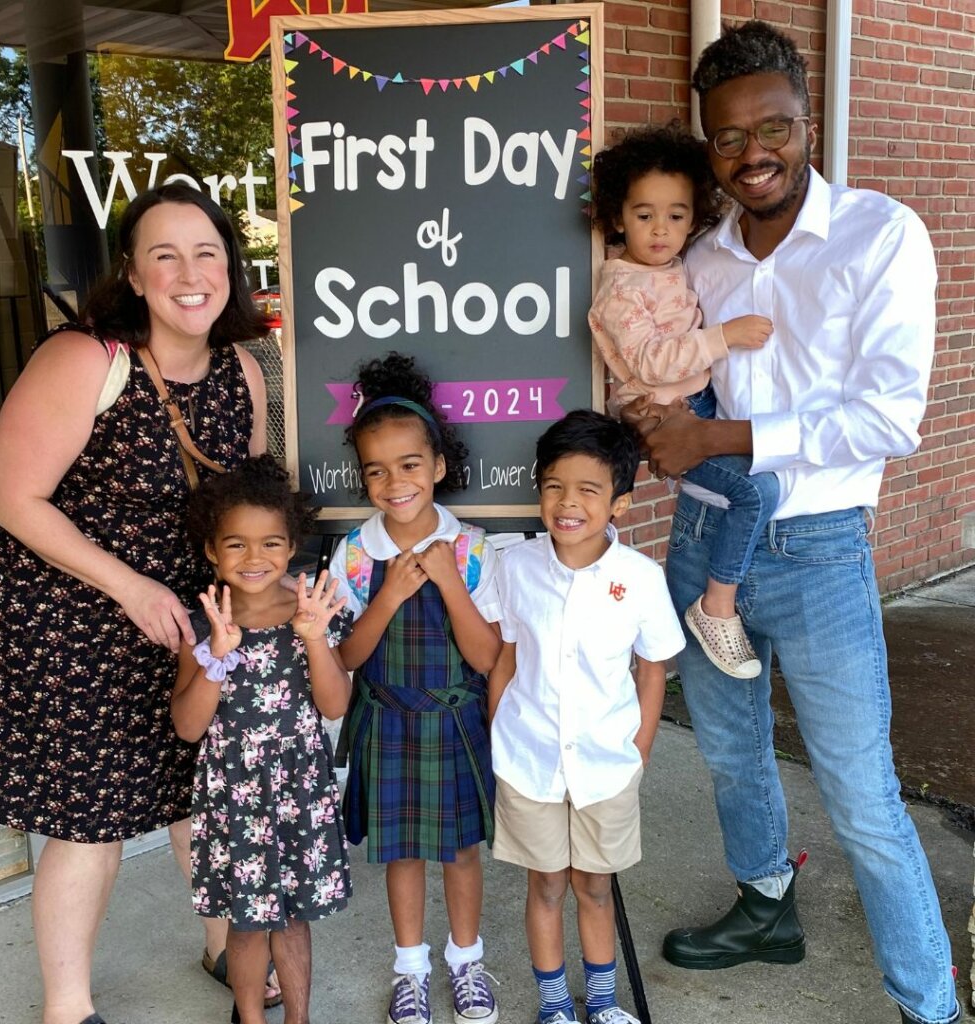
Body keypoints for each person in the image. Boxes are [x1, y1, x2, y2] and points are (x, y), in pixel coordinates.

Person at [637, 21, 961, 1024]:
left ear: (807, 118)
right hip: (703, 541)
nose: (752, 153)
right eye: (728, 137)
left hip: (817, 551)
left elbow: (888, 418)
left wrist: (718, 437)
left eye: (771, 127)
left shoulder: (880, 234)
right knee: (731, 755)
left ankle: (929, 1003)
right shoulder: (700, 257)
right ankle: (765, 906)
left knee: (861, 796)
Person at [0, 183, 274, 1024]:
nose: (190, 274)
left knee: (204, 790)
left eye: (206, 253)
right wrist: (130, 585)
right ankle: (67, 1008)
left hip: (185, 622)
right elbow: (14, 497)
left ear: (229, 268)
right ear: (133, 276)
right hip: (70, 621)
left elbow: (247, 506)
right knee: (90, 822)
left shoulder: (243, 371)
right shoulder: (86, 358)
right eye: (164, 255)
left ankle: (224, 946)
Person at [488, 410, 686, 1024]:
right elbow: (505, 658)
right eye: (554, 486)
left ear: (619, 503)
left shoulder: (640, 578)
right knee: (546, 883)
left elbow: (652, 669)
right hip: (529, 760)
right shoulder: (515, 567)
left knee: (594, 885)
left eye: (588, 490)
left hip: (606, 765)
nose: (567, 503)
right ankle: (554, 1002)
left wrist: (640, 750)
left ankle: (602, 999)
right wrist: (500, 733)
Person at [327, 352, 502, 1024]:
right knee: (400, 851)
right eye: (376, 470)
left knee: (459, 849)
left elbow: (486, 657)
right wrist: (389, 596)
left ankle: (467, 961)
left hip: (455, 722)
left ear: (438, 466)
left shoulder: (474, 548)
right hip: (388, 722)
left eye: (408, 465)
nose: (394, 482)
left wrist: (449, 582)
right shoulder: (355, 554)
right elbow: (346, 656)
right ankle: (410, 969)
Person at [588, 121, 777, 680]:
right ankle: (716, 606)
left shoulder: (674, 265)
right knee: (755, 493)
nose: (660, 230)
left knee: (757, 485)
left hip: (702, 406)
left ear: (693, 220)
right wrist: (725, 337)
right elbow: (651, 361)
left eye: (676, 216)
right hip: (670, 419)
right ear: (618, 217)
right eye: (644, 215)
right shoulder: (621, 288)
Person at [173, 454, 353, 1024]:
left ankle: (299, 1018)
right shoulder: (201, 624)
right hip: (234, 793)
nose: (255, 558)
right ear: (211, 550)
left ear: (292, 545)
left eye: (271, 543)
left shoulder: (311, 612)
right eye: (237, 544)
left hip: (299, 785)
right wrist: (217, 657)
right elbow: (187, 726)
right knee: (246, 923)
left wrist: (315, 638)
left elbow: (335, 705)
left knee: (293, 918)